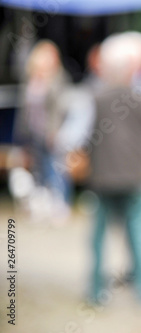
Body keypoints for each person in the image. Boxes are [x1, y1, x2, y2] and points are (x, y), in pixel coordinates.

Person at [68, 32, 141, 303]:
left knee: (98, 237)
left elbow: (69, 137)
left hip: (103, 177)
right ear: (132, 69)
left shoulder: (90, 97)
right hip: (140, 176)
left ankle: (95, 291)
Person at [14, 40, 73, 223]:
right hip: (33, 131)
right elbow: (25, 108)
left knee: (56, 167)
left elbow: (60, 107)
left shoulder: (59, 78)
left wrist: (54, 131)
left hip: (51, 131)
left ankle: (61, 204)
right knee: (38, 169)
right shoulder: (30, 79)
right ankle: (41, 206)